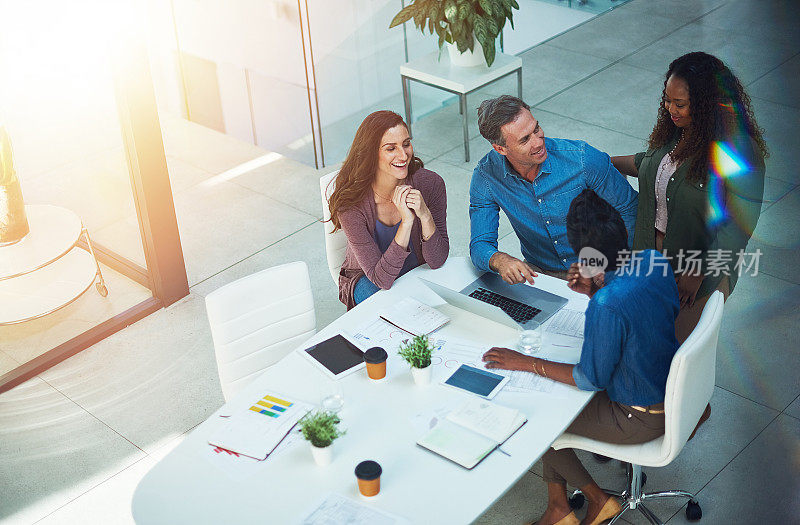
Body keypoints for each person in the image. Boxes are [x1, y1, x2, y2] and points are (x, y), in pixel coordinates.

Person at [482, 189, 680, 525]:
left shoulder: (608, 304)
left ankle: (598, 500)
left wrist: (525, 362)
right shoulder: (654, 260)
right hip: (670, 390)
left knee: (535, 420)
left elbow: (591, 378)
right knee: (552, 394)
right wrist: (596, 291)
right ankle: (559, 509)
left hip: (638, 414)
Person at [612, 51, 767, 343]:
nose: (671, 109)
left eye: (680, 104)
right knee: (638, 343)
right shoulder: (677, 130)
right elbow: (651, 164)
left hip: (698, 269)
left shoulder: (737, 149)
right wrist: (602, 162)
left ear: (707, 104)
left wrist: (699, 268)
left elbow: (738, 226)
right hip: (651, 258)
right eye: (667, 100)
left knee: (673, 355)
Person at [470, 95, 638, 284]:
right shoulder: (486, 177)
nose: (538, 142)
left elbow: (631, 211)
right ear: (500, 149)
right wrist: (499, 260)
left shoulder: (583, 159)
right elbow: (480, 245)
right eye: (525, 140)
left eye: (536, 129)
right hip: (540, 273)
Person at [328, 110, 449, 309]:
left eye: (406, 144)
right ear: (371, 153)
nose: (403, 155)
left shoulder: (430, 184)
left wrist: (425, 215)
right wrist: (407, 222)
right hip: (368, 279)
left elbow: (437, 260)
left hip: (415, 270)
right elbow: (381, 279)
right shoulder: (351, 205)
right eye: (391, 148)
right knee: (397, 313)